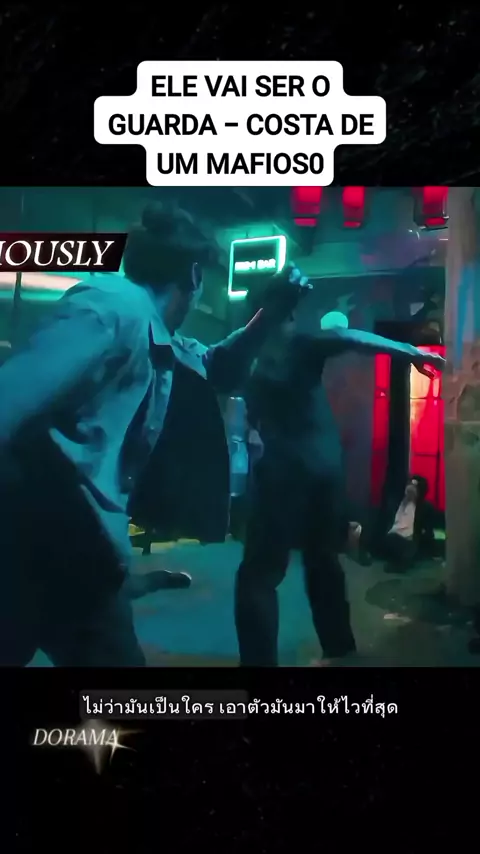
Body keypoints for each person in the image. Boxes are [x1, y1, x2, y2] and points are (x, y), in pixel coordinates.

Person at [0, 203, 309, 667]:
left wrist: (269, 314)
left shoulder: (153, 330)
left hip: (76, 551)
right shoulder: (111, 308)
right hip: (49, 540)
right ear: (193, 276)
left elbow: (217, 368)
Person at [234, 311, 446, 667]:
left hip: (284, 472)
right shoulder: (299, 344)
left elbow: (249, 419)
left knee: (260, 574)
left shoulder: (257, 358)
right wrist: (412, 352)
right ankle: (339, 648)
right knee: (322, 560)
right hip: (323, 470)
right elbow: (353, 337)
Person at [380, 475, 436, 573]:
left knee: (407, 549)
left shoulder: (426, 508)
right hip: (392, 535)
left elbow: (428, 531)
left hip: (409, 540)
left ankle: (401, 562)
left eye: (414, 488)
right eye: (409, 485)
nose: (410, 489)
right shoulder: (396, 502)